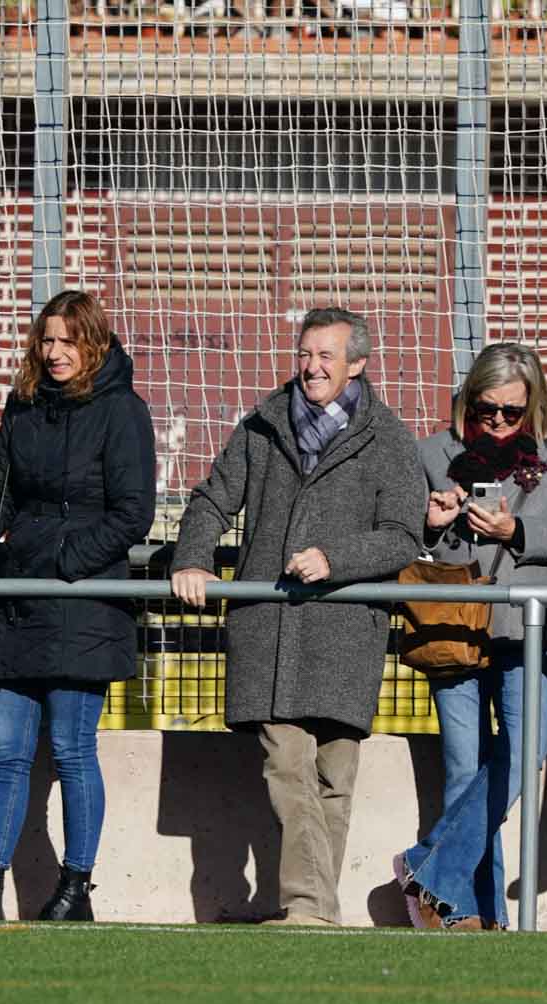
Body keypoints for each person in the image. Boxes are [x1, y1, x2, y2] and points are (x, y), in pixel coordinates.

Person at [171, 307, 424, 926]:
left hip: (345, 633)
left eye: (326, 357)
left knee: (334, 777)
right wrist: (194, 558)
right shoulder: (261, 426)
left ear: (358, 365)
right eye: (305, 354)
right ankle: (310, 907)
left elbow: (401, 536)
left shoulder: (389, 438)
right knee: (287, 764)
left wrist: (335, 558)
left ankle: (316, 914)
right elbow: (211, 500)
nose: (311, 368)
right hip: (269, 626)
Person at [0, 291, 156, 922]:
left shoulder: (123, 411)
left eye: (69, 340)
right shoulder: (22, 407)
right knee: (6, 750)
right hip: (19, 599)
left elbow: (132, 513)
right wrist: (2, 546)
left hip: (83, 602)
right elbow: (1, 492)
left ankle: (76, 888)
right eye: (47, 340)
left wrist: (66, 562)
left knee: (72, 748)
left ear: (94, 343)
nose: (55, 352)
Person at [391, 343, 547, 931]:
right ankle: (470, 910)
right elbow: (408, 545)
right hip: (454, 623)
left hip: (527, 627)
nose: (498, 422)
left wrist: (516, 529)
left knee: (527, 756)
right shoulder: (432, 453)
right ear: (468, 401)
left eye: (511, 412)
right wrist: (433, 524)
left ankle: (428, 865)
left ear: (534, 406)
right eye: (485, 410)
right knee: (463, 767)